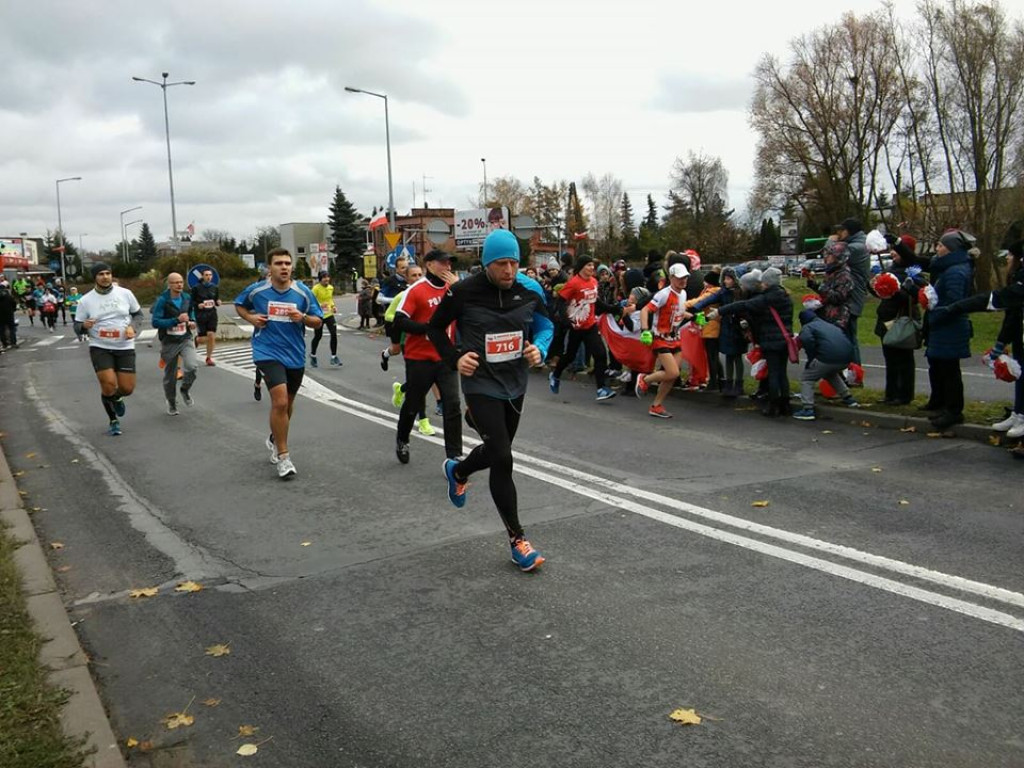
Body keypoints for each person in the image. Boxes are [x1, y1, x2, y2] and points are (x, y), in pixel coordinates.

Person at [427, 229, 553, 572]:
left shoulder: (530, 289)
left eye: (514, 263)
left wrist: (539, 348)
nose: (509, 271)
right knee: (502, 457)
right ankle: (518, 541)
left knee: (499, 449)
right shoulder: (462, 292)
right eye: (501, 264)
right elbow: (435, 330)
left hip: (515, 383)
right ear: (487, 264)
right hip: (479, 384)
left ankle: (459, 469)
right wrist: (455, 359)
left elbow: (546, 326)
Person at [234, 248, 324, 480]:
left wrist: (302, 318)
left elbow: (317, 322)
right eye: (278, 263)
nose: (284, 267)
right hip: (266, 351)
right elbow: (239, 304)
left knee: (288, 404)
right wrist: (251, 318)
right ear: (269, 268)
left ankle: (275, 437)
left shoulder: (302, 292)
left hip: (294, 353)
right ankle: (284, 457)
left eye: (287, 263)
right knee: (280, 401)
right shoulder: (258, 290)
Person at [931, 239, 1024, 438]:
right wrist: (1000, 344)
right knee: (1020, 375)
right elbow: (1012, 315)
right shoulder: (1017, 279)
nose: (1007, 259)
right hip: (1020, 337)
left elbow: (994, 299)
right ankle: (1019, 414)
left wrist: (955, 307)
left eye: (1010, 255)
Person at [392, 249, 463, 464]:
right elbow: (399, 320)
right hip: (419, 357)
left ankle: (454, 456)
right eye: (443, 263)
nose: (448, 267)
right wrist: (427, 329)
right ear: (430, 265)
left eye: (450, 263)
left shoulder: (454, 289)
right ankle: (402, 439)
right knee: (413, 403)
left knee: (453, 406)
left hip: (446, 357)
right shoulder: (417, 290)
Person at [711, 267, 794, 417]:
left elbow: (743, 305)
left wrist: (720, 311)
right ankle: (785, 404)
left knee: (773, 373)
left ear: (767, 284)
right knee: (782, 373)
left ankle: (773, 405)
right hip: (785, 339)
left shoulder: (767, 298)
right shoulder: (786, 297)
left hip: (770, 340)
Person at [73, 263, 144, 436]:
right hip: (100, 346)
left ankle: (117, 397)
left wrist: (132, 328)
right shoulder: (85, 300)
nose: (105, 277)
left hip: (124, 345)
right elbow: (77, 326)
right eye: (101, 274)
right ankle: (113, 420)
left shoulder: (125, 294)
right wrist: (84, 325)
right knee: (108, 384)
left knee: (127, 388)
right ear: (95, 277)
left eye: (108, 273)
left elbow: (138, 314)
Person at [549, 255, 621, 401]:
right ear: (581, 267)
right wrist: (566, 320)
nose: (591, 268)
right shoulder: (574, 283)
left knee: (600, 355)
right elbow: (561, 302)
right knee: (569, 356)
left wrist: (614, 309)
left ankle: (601, 389)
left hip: (590, 325)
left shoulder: (594, 282)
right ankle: (555, 375)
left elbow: (597, 303)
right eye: (588, 265)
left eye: (592, 265)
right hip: (576, 326)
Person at [921, 231, 974, 431]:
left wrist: (936, 313)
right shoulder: (948, 269)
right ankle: (941, 403)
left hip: (950, 327)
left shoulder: (956, 272)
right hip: (942, 326)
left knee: (950, 371)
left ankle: (953, 410)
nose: (937, 249)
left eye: (941, 246)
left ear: (951, 249)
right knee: (939, 367)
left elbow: (954, 302)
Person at [634, 263, 693, 418]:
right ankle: (645, 379)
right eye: (680, 277)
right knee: (672, 372)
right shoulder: (663, 294)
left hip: (675, 338)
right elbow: (646, 310)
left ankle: (656, 405)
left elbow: (679, 311)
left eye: (685, 277)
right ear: (671, 278)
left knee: (672, 376)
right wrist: (645, 330)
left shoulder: (684, 294)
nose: (683, 280)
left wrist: (694, 317)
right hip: (660, 338)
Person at [874, 236, 924, 405]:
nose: (893, 253)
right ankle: (891, 393)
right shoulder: (891, 268)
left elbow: (915, 296)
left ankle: (903, 394)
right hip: (886, 320)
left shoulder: (913, 271)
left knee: (903, 359)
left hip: (901, 320)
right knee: (890, 359)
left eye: (897, 250)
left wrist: (896, 290)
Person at [792, 309, 860, 420]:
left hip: (827, 358)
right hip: (846, 359)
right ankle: (849, 398)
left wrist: (812, 357)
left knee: (807, 379)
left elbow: (806, 339)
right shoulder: (829, 325)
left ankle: (808, 409)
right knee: (830, 373)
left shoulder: (808, 327)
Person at [151, 272, 199, 416]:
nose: (179, 285)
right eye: (176, 282)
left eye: (181, 282)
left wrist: (192, 321)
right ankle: (171, 401)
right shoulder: (162, 300)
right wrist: (175, 320)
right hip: (169, 341)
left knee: (192, 366)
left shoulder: (187, 297)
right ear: (169, 285)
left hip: (185, 338)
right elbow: (155, 322)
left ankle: (185, 389)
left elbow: (191, 313)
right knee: (170, 376)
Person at [835, 217, 870, 364]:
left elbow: (833, 255)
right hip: (849, 297)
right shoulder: (856, 244)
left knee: (849, 337)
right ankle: (848, 370)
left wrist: (831, 242)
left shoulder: (856, 247)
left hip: (852, 299)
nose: (838, 233)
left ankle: (854, 373)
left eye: (841, 230)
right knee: (845, 335)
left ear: (848, 231)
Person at [807, 240, 854, 331]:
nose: (826, 258)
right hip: (826, 316)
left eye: (829, 255)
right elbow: (826, 292)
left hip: (838, 319)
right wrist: (813, 284)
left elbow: (837, 297)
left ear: (838, 257)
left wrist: (822, 288)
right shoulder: (832, 272)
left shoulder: (844, 275)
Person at [378, 255, 410, 370]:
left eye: (406, 267)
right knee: (396, 349)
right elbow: (379, 298)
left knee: (408, 348)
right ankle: (385, 354)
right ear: (396, 269)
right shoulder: (389, 281)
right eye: (402, 268)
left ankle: (411, 376)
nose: (405, 270)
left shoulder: (411, 280)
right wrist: (396, 301)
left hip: (408, 318)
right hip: (393, 319)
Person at [310, 271, 341, 367]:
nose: (327, 279)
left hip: (329, 314)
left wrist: (333, 306)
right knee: (318, 336)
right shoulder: (315, 289)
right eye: (324, 277)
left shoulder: (330, 287)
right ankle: (313, 355)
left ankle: (333, 356)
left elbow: (330, 299)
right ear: (320, 279)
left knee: (334, 333)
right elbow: (311, 301)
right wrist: (319, 305)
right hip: (318, 315)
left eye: (328, 277)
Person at [191, 268, 221, 366]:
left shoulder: (214, 287)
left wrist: (218, 302)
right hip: (201, 315)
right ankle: (196, 340)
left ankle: (209, 358)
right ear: (203, 276)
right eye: (206, 275)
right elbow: (191, 301)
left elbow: (216, 299)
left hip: (212, 314)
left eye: (210, 275)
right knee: (203, 338)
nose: (208, 277)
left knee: (211, 335)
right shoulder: (196, 288)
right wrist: (198, 304)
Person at [0, 282, 17, 349]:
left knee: (1, 330)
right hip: (9, 314)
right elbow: (14, 304)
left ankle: (4, 344)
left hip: (0, 316)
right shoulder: (9, 296)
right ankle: (13, 343)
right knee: (12, 329)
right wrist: (13, 310)